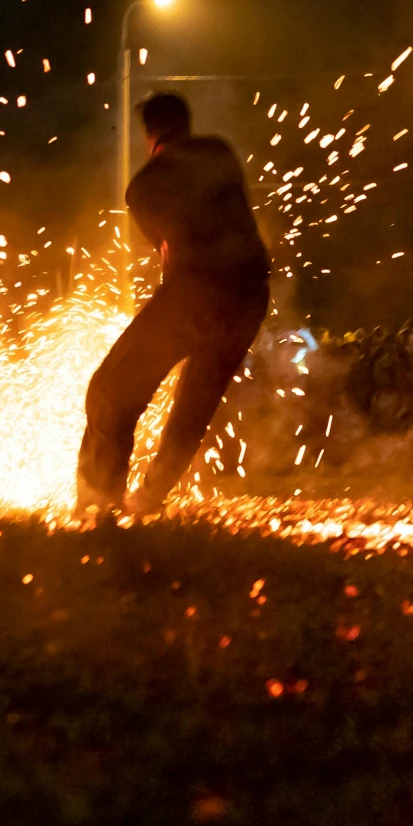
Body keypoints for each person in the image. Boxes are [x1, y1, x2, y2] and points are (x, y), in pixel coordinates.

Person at [76, 92, 270, 517]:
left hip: (196, 292)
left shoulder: (144, 187)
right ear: (186, 122)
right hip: (250, 295)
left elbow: (165, 247)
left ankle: (97, 500)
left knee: (111, 388)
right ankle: (148, 497)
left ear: (149, 136)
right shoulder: (220, 152)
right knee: (194, 403)